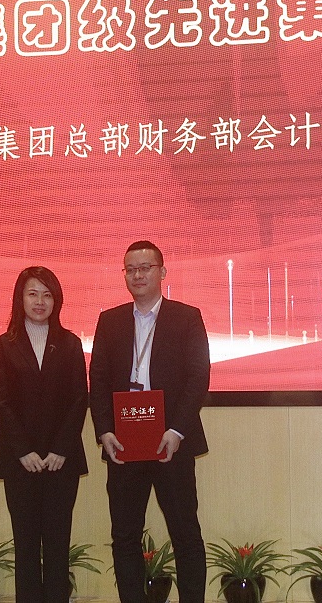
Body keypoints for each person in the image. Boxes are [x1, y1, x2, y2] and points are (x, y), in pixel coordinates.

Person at [89, 241, 210, 603]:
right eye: (131, 269)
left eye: (145, 268)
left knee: (185, 533)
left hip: (171, 441)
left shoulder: (187, 317)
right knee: (125, 535)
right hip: (124, 442)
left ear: (162, 272)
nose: (138, 275)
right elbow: (98, 380)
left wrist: (177, 430)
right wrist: (104, 431)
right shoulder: (110, 321)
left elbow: (198, 377)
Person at [0, 266, 89, 603]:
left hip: (62, 461)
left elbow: (79, 399)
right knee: (26, 546)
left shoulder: (70, 343)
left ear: (56, 300)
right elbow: (0, 402)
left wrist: (61, 448)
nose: (40, 301)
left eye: (47, 295)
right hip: (20, 461)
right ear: (20, 298)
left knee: (58, 545)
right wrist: (23, 451)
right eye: (33, 293)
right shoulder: (4, 345)